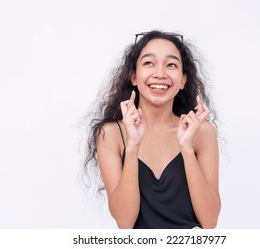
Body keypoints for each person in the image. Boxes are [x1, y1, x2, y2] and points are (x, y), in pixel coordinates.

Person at [85, 30, 220, 229]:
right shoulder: (111, 134)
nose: (160, 73)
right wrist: (132, 146)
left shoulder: (202, 132)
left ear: (183, 80)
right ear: (133, 76)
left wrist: (187, 148)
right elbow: (124, 221)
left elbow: (210, 222)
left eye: (171, 65)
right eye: (149, 63)